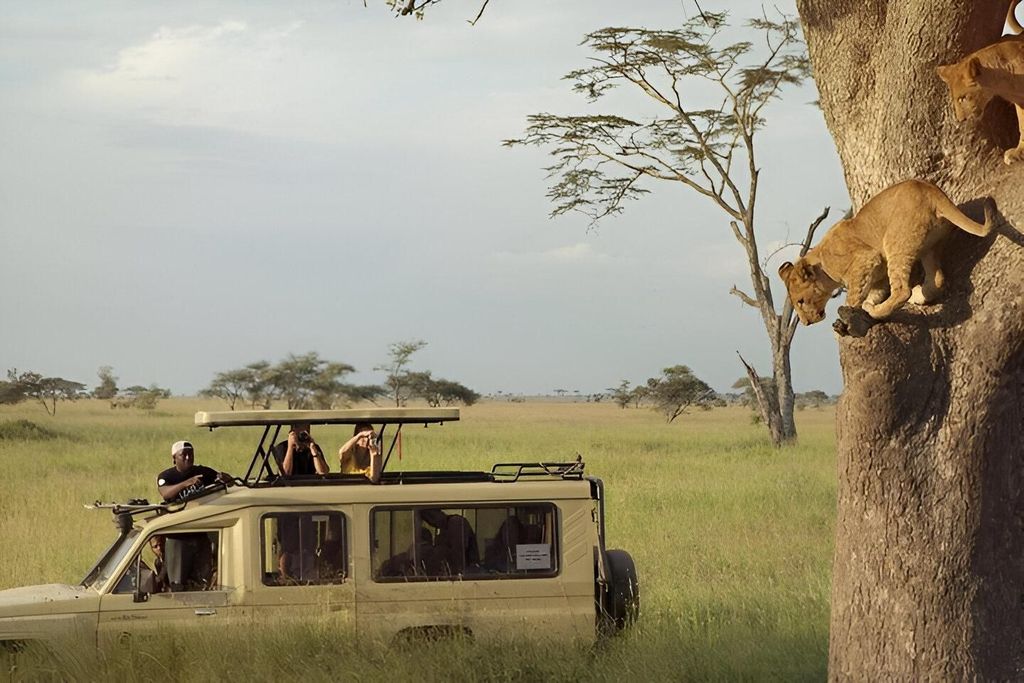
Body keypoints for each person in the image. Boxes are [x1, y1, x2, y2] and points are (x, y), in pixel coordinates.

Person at [156, 440, 234, 503]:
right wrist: (187, 483)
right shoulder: (166, 476)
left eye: (190, 454)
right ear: (174, 458)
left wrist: (227, 479)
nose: (188, 457)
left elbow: (231, 483)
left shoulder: (203, 471)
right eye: (183, 455)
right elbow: (165, 494)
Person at [420, 508, 479, 576]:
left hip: (466, 573)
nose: (430, 521)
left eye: (431, 516)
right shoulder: (442, 528)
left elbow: (458, 553)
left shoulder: (456, 522)